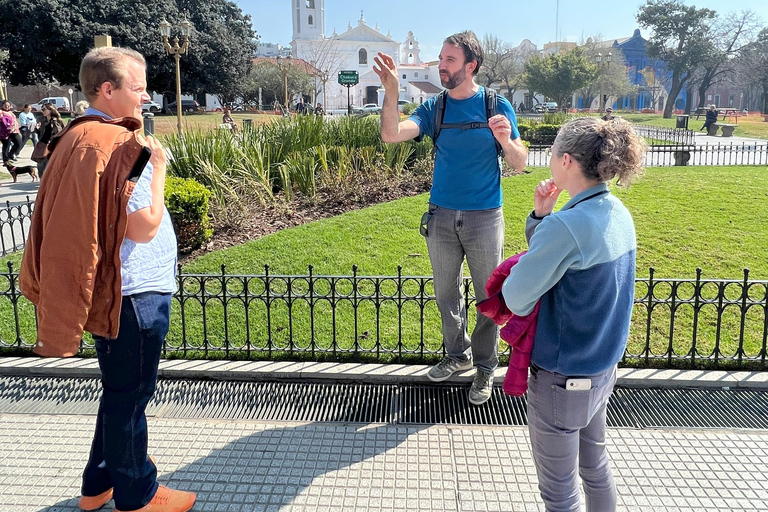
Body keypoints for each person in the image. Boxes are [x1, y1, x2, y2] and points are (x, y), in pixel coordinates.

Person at [19, 46, 195, 512]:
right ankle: (138, 493)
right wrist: (157, 168)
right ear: (107, 89)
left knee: (119, 390)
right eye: (137, 88)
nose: (146, 97)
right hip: (134, 291)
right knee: (131, 398)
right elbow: (144, 226)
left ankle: (98, 483)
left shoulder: (76, 136)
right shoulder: (123, 145)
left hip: (114, 288)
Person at [374, 30, 528, 406]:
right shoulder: (434, 108)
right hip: (441, 217)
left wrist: (506, 141)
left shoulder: (495, 104)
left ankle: (486, 367)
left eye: (449, 60)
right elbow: (392, 134)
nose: (441, 66)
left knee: (488, 296)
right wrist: (392, 90)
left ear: (470, 65)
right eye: (441, 59)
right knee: (446, 296)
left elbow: (521, 163)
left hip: (484, 218)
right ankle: (458, 355)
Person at [501, 117, 645, 511]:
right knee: (596, 469)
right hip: (600, 371)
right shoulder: (617, 212)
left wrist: (547, 227)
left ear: (566, 160)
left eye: (550, 155)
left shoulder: (567, 226)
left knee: (560, 493)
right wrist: (542, 218)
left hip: (562, 379)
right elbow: (564, 257)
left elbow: (516, 297)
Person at [32, 103, 64, 176]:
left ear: (50, 110)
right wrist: (37, 129)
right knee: (40, 166)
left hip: (52, 146)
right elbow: (41, 134)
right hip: (43, 145)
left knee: (49, 165)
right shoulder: (41, 120)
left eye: (44, 109)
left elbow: (61, 132)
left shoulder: (57, 121)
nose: (42, 111)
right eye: (41, 109)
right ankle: (43, 182)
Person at [1, 99, 22, 164]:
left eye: (8, 105)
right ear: (2, 106)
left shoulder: (11, 112)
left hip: (14, 131)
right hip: (5, 132)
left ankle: (11, 154)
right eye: (5, 105)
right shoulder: (1, 112)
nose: (7, 107)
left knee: (18, 143)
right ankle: (6, 160)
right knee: (6, 145)